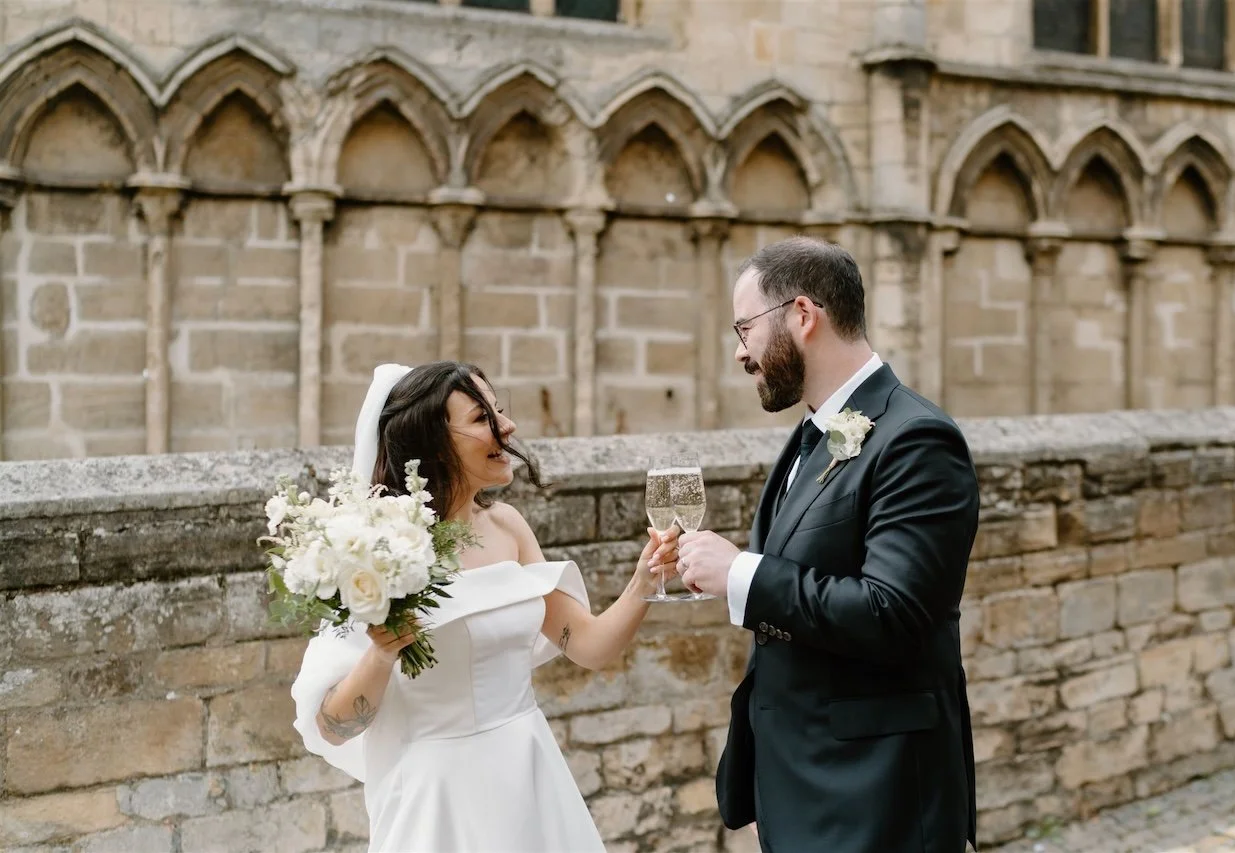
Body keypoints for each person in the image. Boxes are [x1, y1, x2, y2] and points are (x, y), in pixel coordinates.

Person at [665, 237, 980, 852]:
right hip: (802, 785)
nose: (739, 351)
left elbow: (893, 614)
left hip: (877, 795)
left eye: (744, 327)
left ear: (803, 315)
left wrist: (743, 574)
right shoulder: (812, 434)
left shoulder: (917, 439)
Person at [291, 361, 678, 853]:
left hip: (528, 774)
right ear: (432, 442)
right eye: (481, 417)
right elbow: (333, 725)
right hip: (438, 797)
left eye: (499, 409)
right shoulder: (379, 549)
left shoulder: (509, 527)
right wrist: (382, 654)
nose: (507, 425)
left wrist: (644, 581)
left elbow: (590, 647)